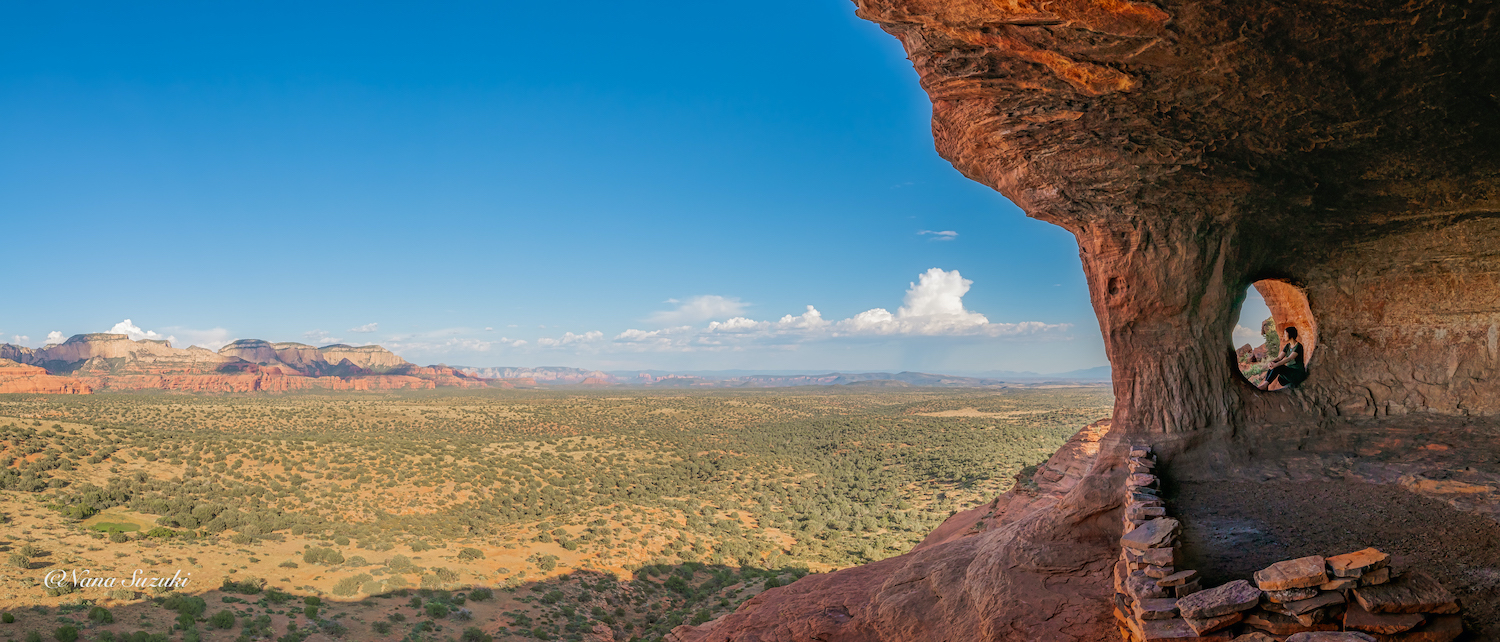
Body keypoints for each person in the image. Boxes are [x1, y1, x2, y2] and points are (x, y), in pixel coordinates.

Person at [1258, 326, 1308, 390]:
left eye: (1285, 334)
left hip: (1297, 374)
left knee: (1278, 366)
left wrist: (1276, 365)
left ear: (1290, 334)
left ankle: (1265, 385)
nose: (1284, 336)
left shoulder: (1298, 346)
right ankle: (1265, 384)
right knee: (1274, 363)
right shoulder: (1287, 346)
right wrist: (1272, 362)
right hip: (1289, 375)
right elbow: (1279, 357)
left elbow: (1289, 358)